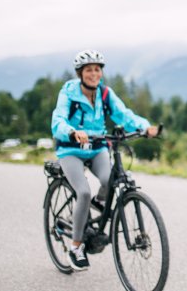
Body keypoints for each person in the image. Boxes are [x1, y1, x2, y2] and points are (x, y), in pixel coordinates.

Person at [51, 49, 159, 271]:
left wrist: (144, 127)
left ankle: (98, 205)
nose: (94, 74)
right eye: (89, 70)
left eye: (97, 69)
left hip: (97, 147)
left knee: (113, 179)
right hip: (71, 149)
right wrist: (72, 132)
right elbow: (58, 120)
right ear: (80, 73)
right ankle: (76, 247)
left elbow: (124, 115)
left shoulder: (105, 94)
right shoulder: (69, 92)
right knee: (83, 192)